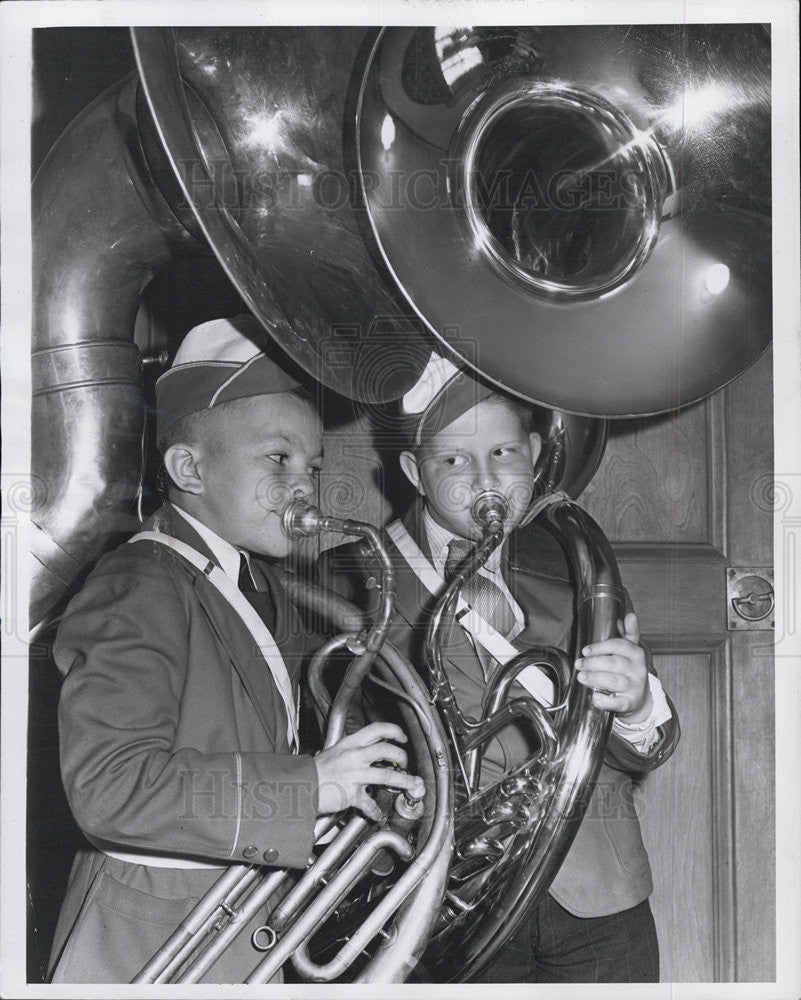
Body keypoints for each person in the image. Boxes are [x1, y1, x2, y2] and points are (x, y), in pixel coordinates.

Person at [47, 315, 422, 984]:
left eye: (311, 465)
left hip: (238, 928)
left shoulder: (262, 587)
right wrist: (311, 787)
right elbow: (110, 787)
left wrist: (366, 795)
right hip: (146, 940)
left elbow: (285, 751)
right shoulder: (138, 583)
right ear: (188, 468)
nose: (303, 483)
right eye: (277, 458)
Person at [321, 352, 680, 983]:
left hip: (598, 890)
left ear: (537, 454)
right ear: (413, 471)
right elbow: (325, 742)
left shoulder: (580, 564)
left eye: (504, 454)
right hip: (440, 897)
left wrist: (637, 709)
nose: (483, 479)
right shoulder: (348, 579)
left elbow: (638, 750)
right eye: (453, 460)